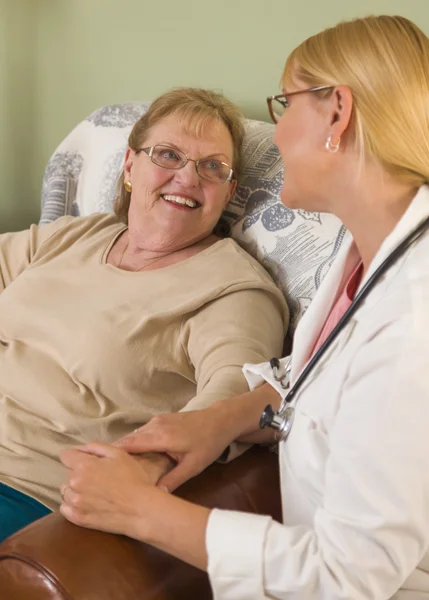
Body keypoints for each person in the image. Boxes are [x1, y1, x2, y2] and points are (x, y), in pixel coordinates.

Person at [60, 15, 429, 599]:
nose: (276, 137)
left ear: (337, 113)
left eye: (286, 106)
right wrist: (223, 419)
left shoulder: (414, 318)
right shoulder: (370, 253)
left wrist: (141, 512)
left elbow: (348, 577)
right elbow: (324, 379)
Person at [0, 87, 289, 542]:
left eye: (212, 167)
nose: (189, 178)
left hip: (29, 489)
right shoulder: (78, 236)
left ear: (230, 191)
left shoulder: (233, 289)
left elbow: (234, 393)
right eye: (169, 155)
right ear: (130, 166)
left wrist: (146, 465)